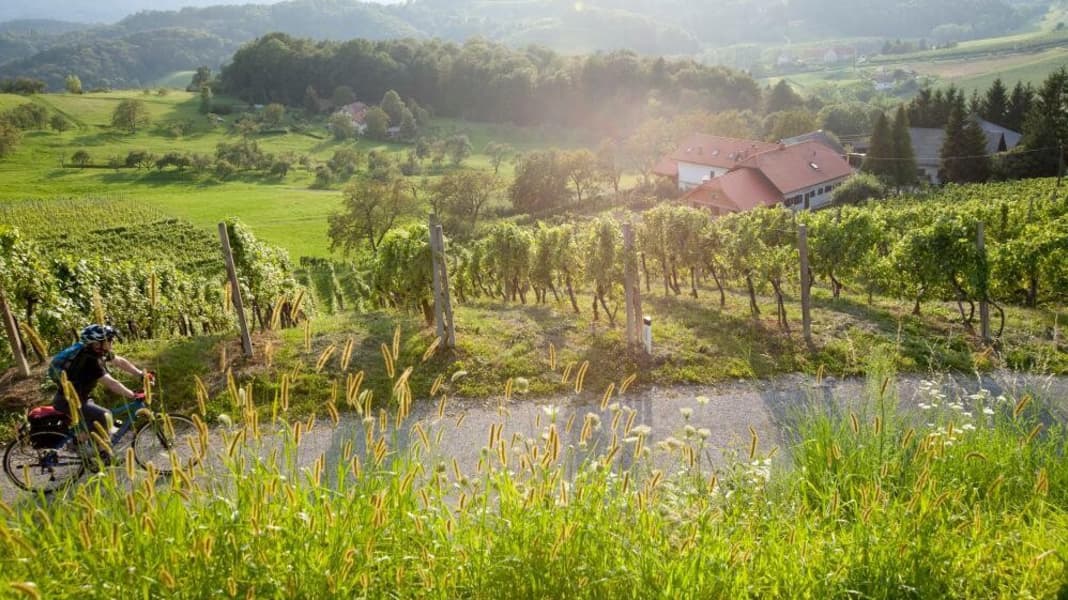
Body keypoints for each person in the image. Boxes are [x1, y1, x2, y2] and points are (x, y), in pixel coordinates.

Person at [50, 324, 150, 457]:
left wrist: (141, 374)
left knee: (101, 419)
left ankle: (90, 444)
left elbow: (119, 361)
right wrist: (133, 395)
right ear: (97, 344)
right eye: (109, 340)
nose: (112, 342)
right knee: (105, 415)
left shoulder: (96, 352)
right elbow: (112, 383)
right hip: (68, 400)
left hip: (79, 397)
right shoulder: (90, 360)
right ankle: (86, 447)